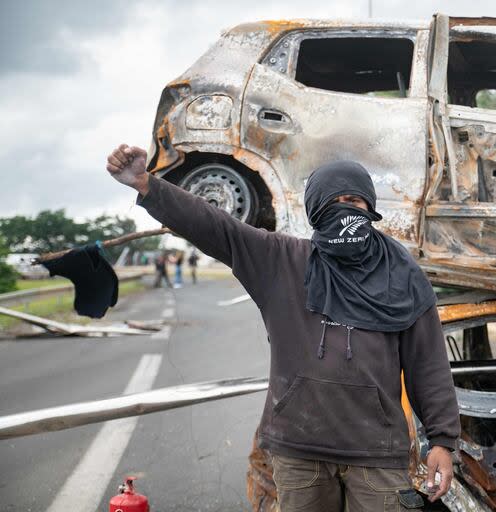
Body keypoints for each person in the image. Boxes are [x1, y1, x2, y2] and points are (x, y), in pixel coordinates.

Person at [106, 144, 460, 511]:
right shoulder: (281, 261)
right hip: (299, 451)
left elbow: (429, 365)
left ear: (370, 208)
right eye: (333, 201)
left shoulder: (404, 277)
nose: (345, 209)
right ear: (315, 212)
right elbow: (214, 225)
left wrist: (442, 441)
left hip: (378, 455)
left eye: (354, 201)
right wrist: (146, 184)